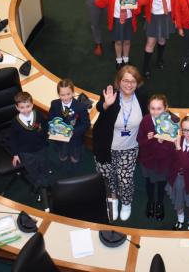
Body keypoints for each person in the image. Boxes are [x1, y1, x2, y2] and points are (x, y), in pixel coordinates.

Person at [93, 65, 147, 222]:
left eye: (133, 81)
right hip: (106, 147)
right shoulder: (111, 95)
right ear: (118, 81)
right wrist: (106, 105)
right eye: (125, 80)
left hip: (129, 148)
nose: (129, 85)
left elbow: (155, 111)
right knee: (107, 177)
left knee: (125, 179)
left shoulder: (142, 97)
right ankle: (113, 199)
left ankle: (126, 203)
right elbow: (99, 107)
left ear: (138, 83)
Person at [136, 94, 174, 221]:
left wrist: (162, 143)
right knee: (150, 183)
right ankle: (151, 201)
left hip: (163, 162)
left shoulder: (171, 123)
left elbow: (173, 148)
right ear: (148, 108)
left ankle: (160, 203)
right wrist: (148, 139)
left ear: (166, 108)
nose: (155, 112)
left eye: (159, 108)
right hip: (148, 161)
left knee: (162, 183)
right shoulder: (146, 120)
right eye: (152, 108)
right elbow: (139, 141)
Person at [96, 0, 140, 69]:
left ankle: (126, 59)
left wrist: (133, 7)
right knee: (118, 42)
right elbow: (98, 4)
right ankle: (119, 60)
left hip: (128, 21)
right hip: (116, 21)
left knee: (127, 41)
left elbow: (138, 12)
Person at [137, 0, 176, 78]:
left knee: (162, 40)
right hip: (154, 19)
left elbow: (174, 3)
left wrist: (175, 18)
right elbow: (142, 2)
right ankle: (145, 67)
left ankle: (159, 59)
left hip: (166, 18)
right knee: (151, 42)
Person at [10, 91, 50, 194]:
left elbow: (45, 126)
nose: (25, 110)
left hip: (41, 148)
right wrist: (15, 154)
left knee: (44, 165)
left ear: (32, 105)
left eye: (28, 106)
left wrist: (46, 135)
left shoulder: (38, 115)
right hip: (26, 152)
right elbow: (13, 138)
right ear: (17, 108)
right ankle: (37, 182)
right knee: (31, 168)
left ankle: (45, 181)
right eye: (22, 107)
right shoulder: (15, 122)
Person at [49, 79, 89, 165]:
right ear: (58, 94)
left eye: (68, 94)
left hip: (75, 138)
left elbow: (86, 124)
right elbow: (51, 118)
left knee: (75, 156)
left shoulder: (81, 107)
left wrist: (72, 132)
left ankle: (75, 157)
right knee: (62, 153)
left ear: (73, 93)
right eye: (62, 95)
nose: (66, 97)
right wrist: (53, 127)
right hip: (60, 137)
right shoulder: (54, 104)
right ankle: (63, 155)